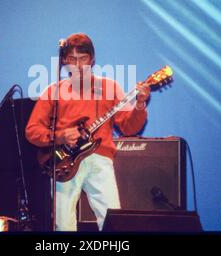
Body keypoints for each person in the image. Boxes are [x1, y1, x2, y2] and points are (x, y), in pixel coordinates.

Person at [25, 33, 150, 231]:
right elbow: (32, 131)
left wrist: (140, 104)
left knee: (113, 220)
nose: (78, 64)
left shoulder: (109, 87)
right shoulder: (53, 91)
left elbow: (129, 127)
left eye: (83, 58)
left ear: (92, 59)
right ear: (64, 61)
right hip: (64, 162)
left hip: (100, 158)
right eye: (72, 59)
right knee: (63, 223)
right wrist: (60, 135)